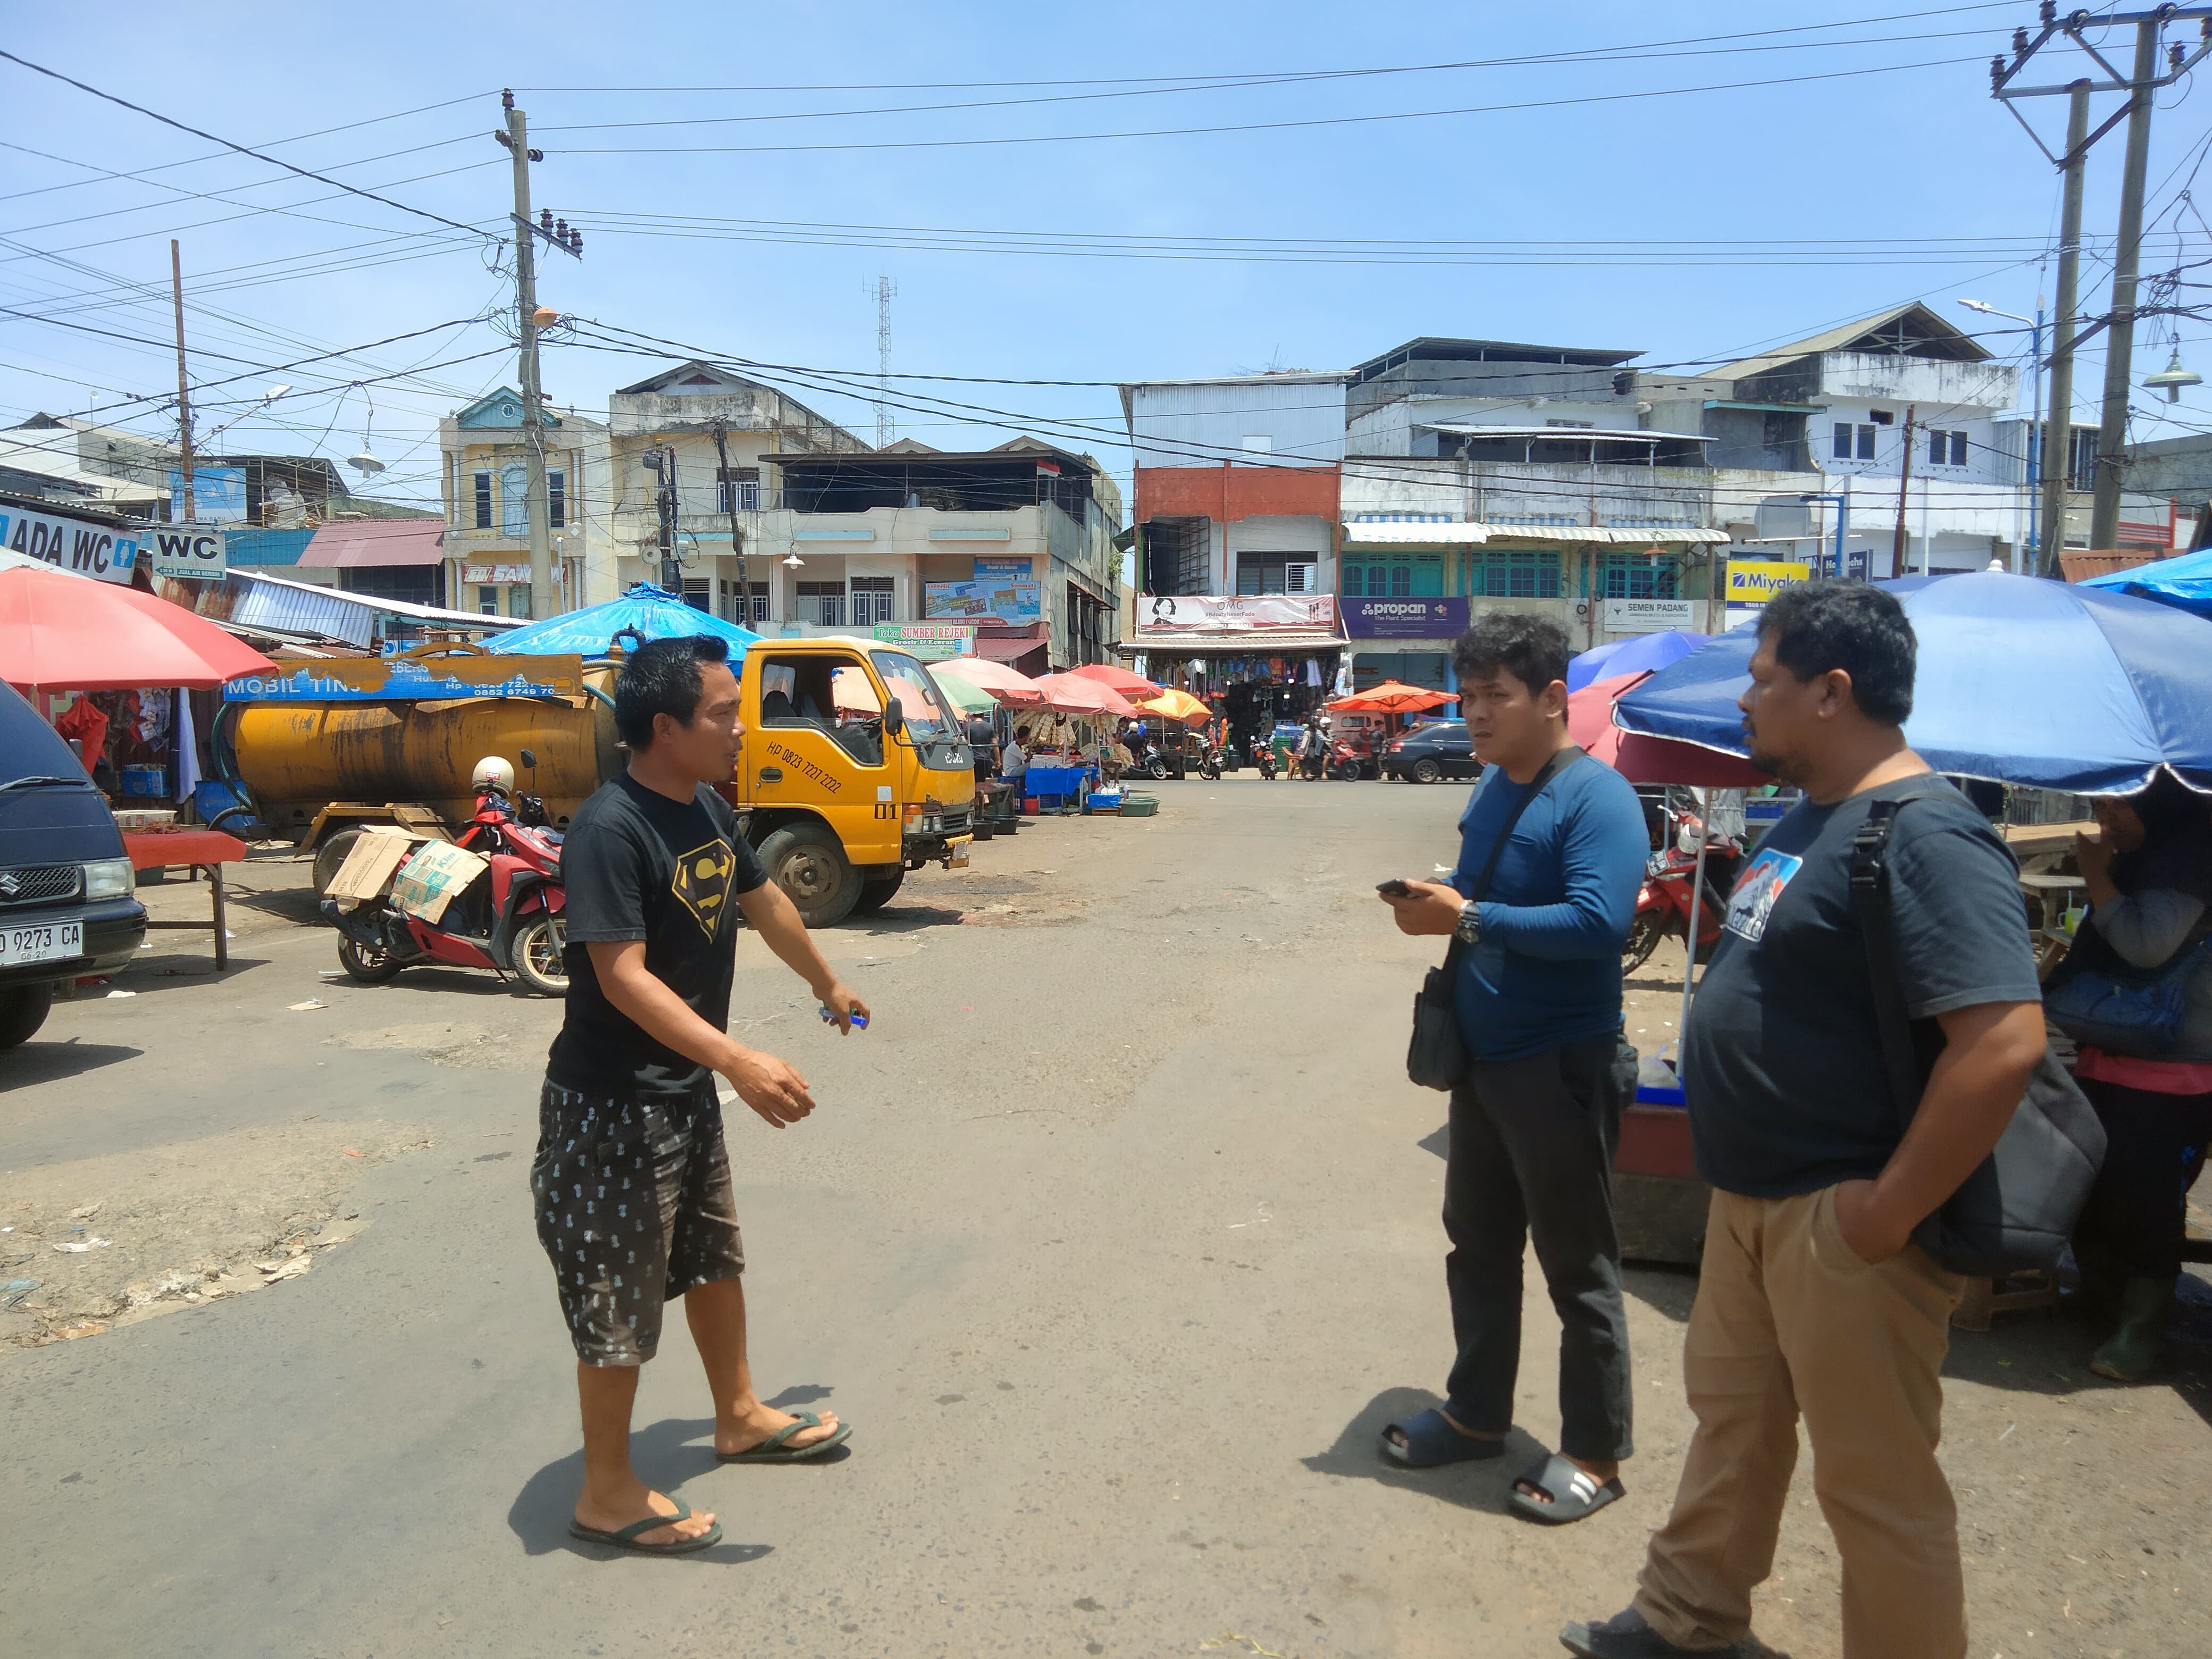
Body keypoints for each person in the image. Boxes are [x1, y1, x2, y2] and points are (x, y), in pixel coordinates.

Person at [1564, 581, 2047, 1659]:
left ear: (1832, 691)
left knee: (1875, 1487)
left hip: (1843, 1222)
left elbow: (2003, 1041)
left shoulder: (1927, 835)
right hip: (1751, 1199)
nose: (1744, 701)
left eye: (1763, 680)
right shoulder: (1813, 816)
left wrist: (1879, 1216)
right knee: (1733, 1432)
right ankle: (1687, 1620)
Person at [535, 634, 869, 1556]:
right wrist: (737, 1061)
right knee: (618, 1297)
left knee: (713, 1260)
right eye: (723, 713)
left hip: (679, 1091)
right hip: (611, 1108)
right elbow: (621, 977)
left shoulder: (706, 810)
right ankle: (606, 1492)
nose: (740, 727)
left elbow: (765, 905)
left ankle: (738, 1414)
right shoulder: (610, 829)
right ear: (665, 727)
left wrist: (825, 983)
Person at [1377, 613, 1648, 1526]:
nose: (1478, 713)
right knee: (1479, 1249)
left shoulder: (1599, 800)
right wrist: (1443, 898)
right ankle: (1478, 1414)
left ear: (1552, 700)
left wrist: (1470, 920)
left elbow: (1598, 926)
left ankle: (1595, 1451)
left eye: (1497, 695)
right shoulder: (1491, 789)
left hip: (1562, 1067)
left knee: (1580, 1268)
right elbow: (1483, 895)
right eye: (1470, 694)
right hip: (1487, 1066)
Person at [2054, 773, 2212, 1381]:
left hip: (2172, 1065)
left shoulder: (2190, 856)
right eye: (2097, 804)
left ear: (2155, 801)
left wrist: (2095, 874)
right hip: (2114, 1047)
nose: (2103, 818)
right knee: (2093, 1185)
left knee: (2143, 1200)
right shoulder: (2144, 855)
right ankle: (2101, 1299)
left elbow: (2147, 945)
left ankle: (2141, 1330)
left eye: (2112, 803)